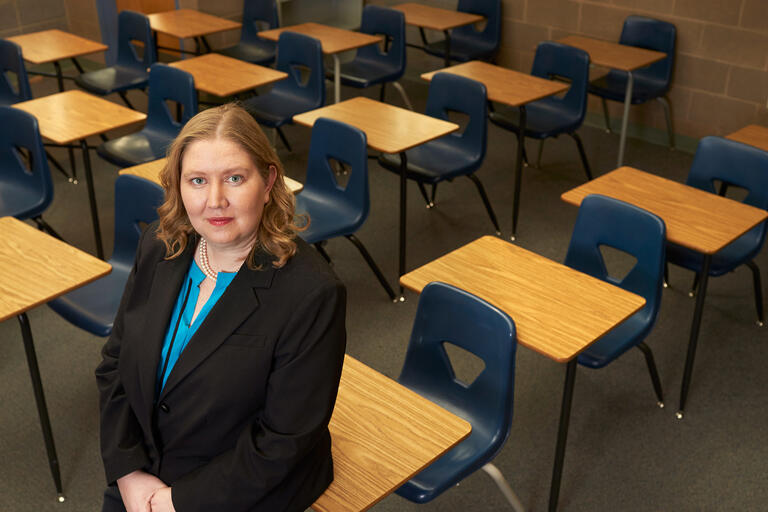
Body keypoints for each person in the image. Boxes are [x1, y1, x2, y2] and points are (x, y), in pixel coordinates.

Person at [96, 103, 346, 512]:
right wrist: (129, 471)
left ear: (268, 182)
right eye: (197, 180)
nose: (215, 201)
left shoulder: (311, 293)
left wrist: (178, 501)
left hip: (237, 489)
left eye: (234, 178)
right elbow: (115, 363)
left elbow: (284, 439)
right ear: (179, 185)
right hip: (142, 471)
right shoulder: (159, 246)